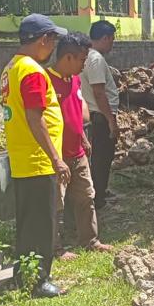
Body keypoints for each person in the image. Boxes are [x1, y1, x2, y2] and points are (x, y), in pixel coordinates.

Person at [0, 14, 69, 297]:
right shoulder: (32, 72)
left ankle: (23, 274)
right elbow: (34, 117)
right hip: (38, 160)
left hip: (22, 158)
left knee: (28, 222)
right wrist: (56, 158)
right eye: (53, 40)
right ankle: (39, 281)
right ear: (43, 40)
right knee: (42, 224)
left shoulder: (11, 68)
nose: (53, 48)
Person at [48, 33, 114, 259]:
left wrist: (84, 139)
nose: (84, 64)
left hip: (78, 151)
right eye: (82, 60)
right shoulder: (47, 80)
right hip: (57, 154)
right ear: (68, 57)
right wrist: (55, 158)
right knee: (57, 202)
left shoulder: (74, 80)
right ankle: (56, 248)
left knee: (87, 195)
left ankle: (90, 240)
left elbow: (77, 110)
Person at [80, 20, 120, 210]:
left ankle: (99, 192)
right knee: (102, 158)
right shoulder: (95, 59)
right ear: (104, 38)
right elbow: (99, 92)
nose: (112, 44)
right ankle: (98, 198)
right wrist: (111, 120)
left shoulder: (87, 56)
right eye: (111, 39)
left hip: (95, 113)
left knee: (100, 157)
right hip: (100, 115)